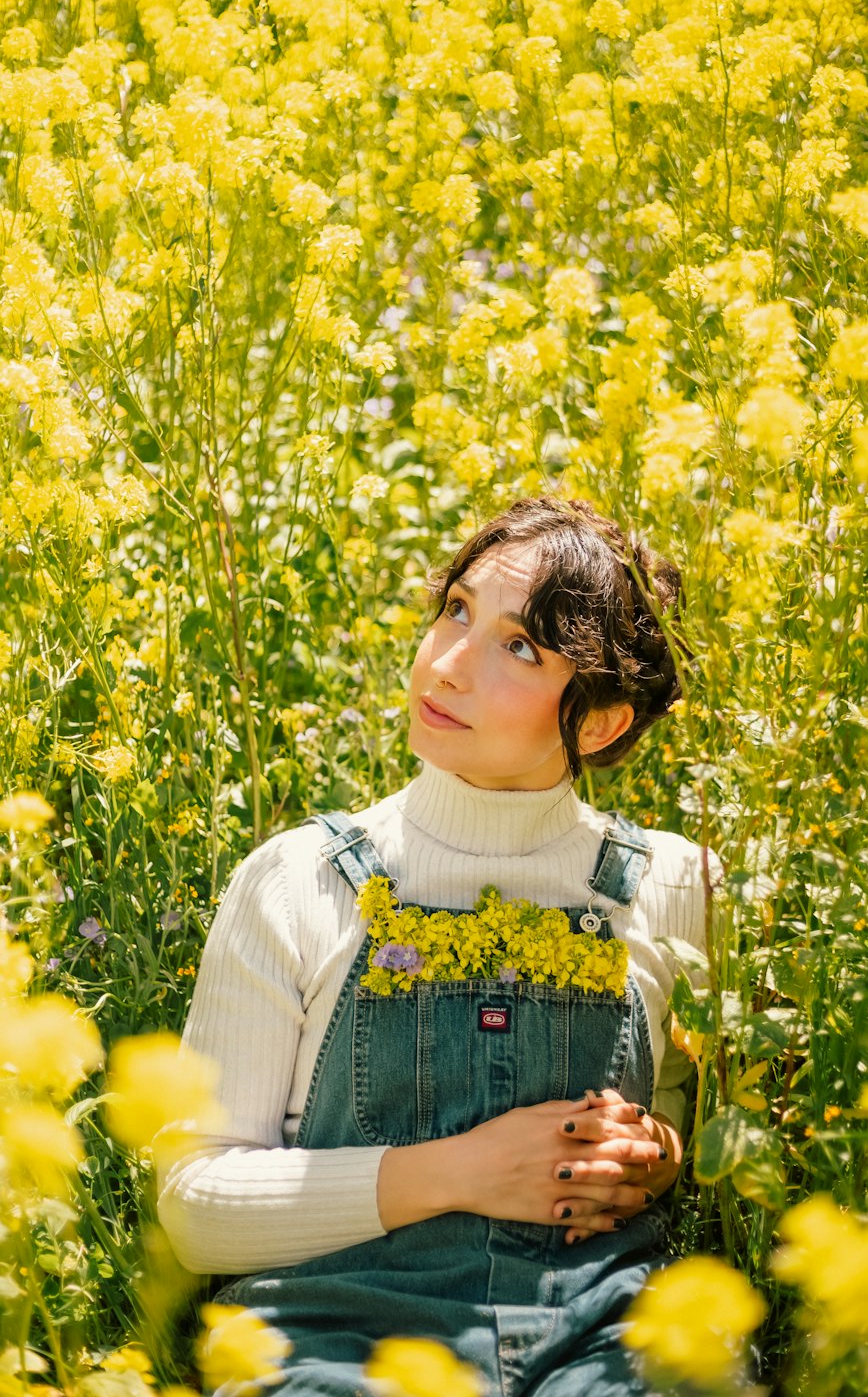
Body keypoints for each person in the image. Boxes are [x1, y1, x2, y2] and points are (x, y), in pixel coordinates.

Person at [158, 496, 718, 1397]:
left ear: (603, 720)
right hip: (334, 1339)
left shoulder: (676, 887)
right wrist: (465, 1169)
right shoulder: (300, 880)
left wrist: (660, 1150)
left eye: (518, 646)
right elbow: (195, 1205)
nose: (447, 665)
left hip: (607, 1334)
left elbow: (697, 1107)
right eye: (456, 610)